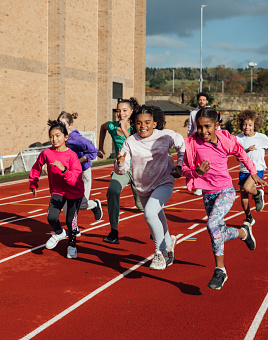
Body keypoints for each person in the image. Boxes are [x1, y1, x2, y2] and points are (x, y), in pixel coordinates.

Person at [182, 108, 268, 290]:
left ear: (216, 125)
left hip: (226, 191)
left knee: (212, 225)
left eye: (208, 126)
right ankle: (243, 233)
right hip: (207, 194)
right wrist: (195, 172)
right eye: (199, 127)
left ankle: (220, 270)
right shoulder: (192, 143)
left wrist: (253, 173)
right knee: (218, 231)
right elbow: (184, 169)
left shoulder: (224, 141)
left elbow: (242, 154)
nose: (203, 131)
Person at [115, 105, 185, 270]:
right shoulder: (130, 141)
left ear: (154, 123)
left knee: (150, 213)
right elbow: (122, 170)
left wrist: (180, 166)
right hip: (143, 186)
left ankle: (159, 253)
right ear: (134, 125)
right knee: (157, 216)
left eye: (147, 122)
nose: (143, 126)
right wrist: (120, 163)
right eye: (139, 123)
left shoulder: (166, 136)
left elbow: (182, 145)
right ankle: (169, 245)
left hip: (164, 181)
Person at [29, 120, 84, 259]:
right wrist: (33, 183)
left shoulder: (72, 156)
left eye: (58, 136)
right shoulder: (46, 153)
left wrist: (64, 170)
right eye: (51, 136)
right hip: (58, 190)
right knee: (51, 217)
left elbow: (74, 179)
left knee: (71, 221)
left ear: (66, 137)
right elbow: (37, 167)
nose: (54, 139)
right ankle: (59, 232)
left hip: (74, 191)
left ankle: (72, 245)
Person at [97, 97, 143, 245]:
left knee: (141, 204)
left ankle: (156, 228)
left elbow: (137, 145)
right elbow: (102, 128)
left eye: (124, 110)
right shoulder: (111, 126)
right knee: (112, 191)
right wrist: (100, 147)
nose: (121, 113)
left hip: (138, 168)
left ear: (131, 112)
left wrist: (124, 129)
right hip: (121, 167)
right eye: (118, 110)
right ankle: (114, 231)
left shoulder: (137, 127)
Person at [57, 111, 103, 228]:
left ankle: (94, 204)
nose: (60, 126)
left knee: (82, 203)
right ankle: (73, 228)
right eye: (59, 123)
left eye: (63, 123)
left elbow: (93, 150)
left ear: (70, 125)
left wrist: (79, 161)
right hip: (69, 174)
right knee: (66, 202)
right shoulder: (58, 138)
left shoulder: (76, 138)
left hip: (83, 173)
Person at [187, 92, 210, 196]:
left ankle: (209, 183)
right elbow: (190, 127)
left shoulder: (211, 112)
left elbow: (217, 126)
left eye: (204, 100)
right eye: (200, 100)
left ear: (207, 101)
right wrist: (189, 139)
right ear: (198, 101)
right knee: (198, 162)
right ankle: (199, 186)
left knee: (209, 161)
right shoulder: (193, 113)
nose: (202, 101)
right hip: (197, 140)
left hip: (209, 139)